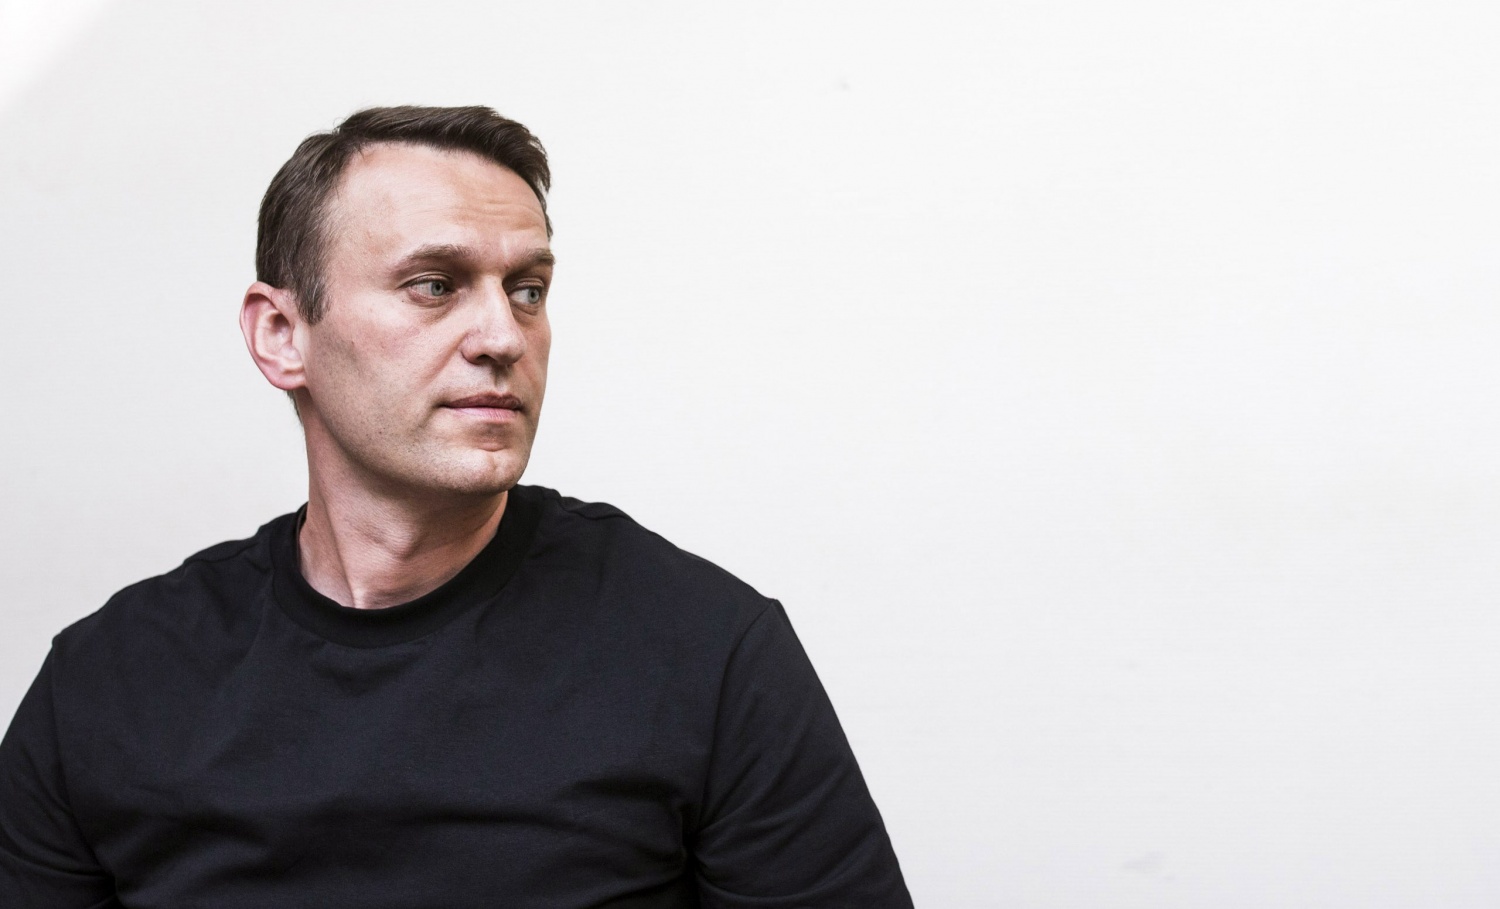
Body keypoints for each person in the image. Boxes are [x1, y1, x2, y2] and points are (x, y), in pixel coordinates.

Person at [0, 106, 912, 908]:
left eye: (528, 290)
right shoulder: (109, 682)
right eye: (433, 285)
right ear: (282, 334)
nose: (503, 336)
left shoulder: (706, 651)